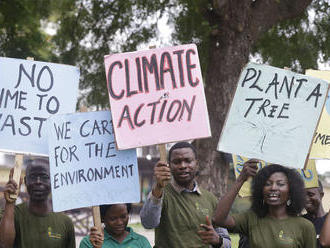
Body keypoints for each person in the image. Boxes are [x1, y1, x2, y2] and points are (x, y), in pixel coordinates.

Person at [140, 142, 231, 248]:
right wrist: (158, 187)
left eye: (188, 161)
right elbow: (148, 223)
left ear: (196, 164)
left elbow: (227, 243)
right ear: (169, 165)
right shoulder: (160, 194)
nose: (183, 166)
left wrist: (217, 240)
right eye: (177, 162)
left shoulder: (210, 199)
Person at [213, 160, 316, 248]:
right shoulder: (251, 218)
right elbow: (218, 219)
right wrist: (241, 179)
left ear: (291, 192)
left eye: (280, 184)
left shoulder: (305, 226)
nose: (273, 188)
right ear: (261, 191)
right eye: (267, 184)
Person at [0, 158, 75, 248]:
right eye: (33, 177)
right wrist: (10, 203)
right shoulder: (11, 215)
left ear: (53, 181)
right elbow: (4, 245)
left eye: (44, 177)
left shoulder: (66, 223)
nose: (38, 182)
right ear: (25, 181)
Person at [80, 203, 151, 248]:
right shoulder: (88, 243)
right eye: (113, 218)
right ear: (102, 218)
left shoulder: (141, 242)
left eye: (123, 217)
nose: (119, 222)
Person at [303, 180, 328, 248]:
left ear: (321, 195)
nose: (306, 199)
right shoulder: (298, 222)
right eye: (302, 195)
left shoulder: (328, 220)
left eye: (310, 194)